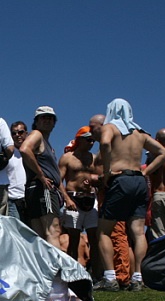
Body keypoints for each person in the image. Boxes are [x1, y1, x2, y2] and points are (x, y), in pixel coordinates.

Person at [90, 99, 165, 292]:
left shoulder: (110, 128)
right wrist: (146, 171)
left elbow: (105, 143)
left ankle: (110, 278)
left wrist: (107, 172)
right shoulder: (139, 133)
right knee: (138, 232)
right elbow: (163, 153)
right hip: (139, 181)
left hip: (120, 180)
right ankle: (137, 278)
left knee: (103, 231)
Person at [20, 106, 70, 249]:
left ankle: (43, 263)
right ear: (36, 121)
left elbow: (56, 174)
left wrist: (65, 197)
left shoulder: (48, 145)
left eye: (50, 118)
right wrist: (41, 175)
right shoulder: (37, 135)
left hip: (36, 189)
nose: (47, 120)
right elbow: (24, 149)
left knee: (39, 235)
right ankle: (54, 263)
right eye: (43, 117)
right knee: (53, 231)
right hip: (43, 188)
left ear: (54, 123)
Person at [58, 126, 101, 270]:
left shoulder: (93, 158)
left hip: (91, 199)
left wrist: (95, 182)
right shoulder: (67, 158)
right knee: (74, 238)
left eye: (93, 140)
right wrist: (67, 199)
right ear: (79, 139)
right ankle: (73, 272)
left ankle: (96, 273)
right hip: (73, 199)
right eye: (88, 140)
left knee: (94, 238)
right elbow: (58, 180)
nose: (91, 143)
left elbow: (101, 178)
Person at [6, 121, 28, 222]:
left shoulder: (34, 153)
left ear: (26, 133)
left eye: (20, 132)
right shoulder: (8, 154)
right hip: (12, 200)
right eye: (14, 133)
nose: (17, 135)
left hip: (29, 199)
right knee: (15, 229)